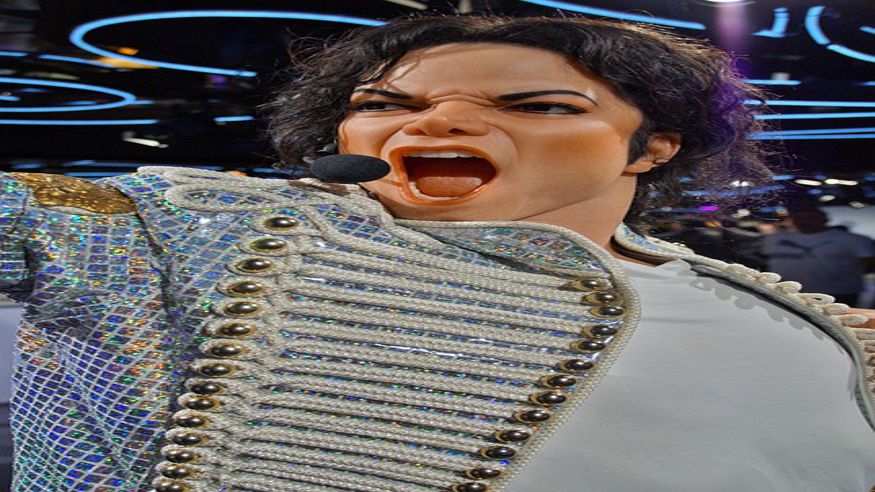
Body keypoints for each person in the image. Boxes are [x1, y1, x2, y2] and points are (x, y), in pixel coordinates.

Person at [1, 15, 874, 492]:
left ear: (651, 147)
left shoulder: (797, 320)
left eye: (538, 106)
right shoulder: (204, 235)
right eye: (385, 104)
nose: (440, 122)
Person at [762, 208, 875, 306]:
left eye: (811, 218)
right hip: (787, 292)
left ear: (824, 219)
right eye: (799, 218)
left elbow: (870, 264)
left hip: (838, 294)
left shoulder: (854, 240)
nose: (805, 222)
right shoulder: (771, 239)